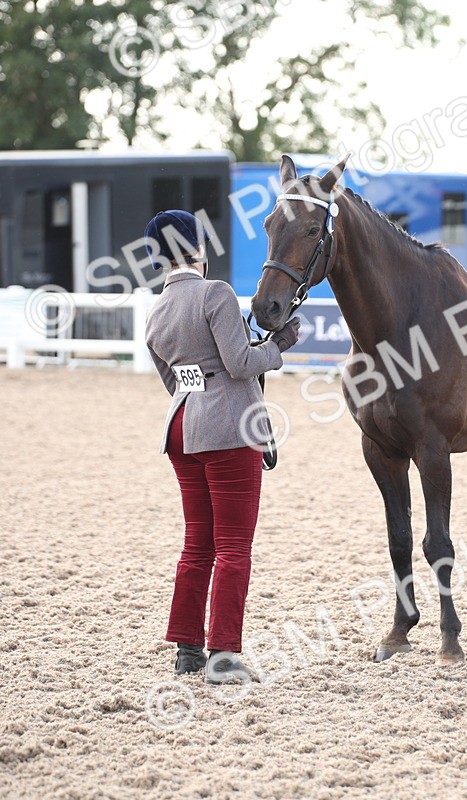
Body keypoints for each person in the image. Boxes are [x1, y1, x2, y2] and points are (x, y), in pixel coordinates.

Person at [142, 209, 300, 683]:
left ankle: (187, 649)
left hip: (182, 428)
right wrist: (281, 345)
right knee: (234, 546)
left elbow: (174, 381)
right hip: (227, 430)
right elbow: (239, 363)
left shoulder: (157, 310)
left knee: (197, 545)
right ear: (198, 250)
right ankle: (223, 655)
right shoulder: (216, 293)